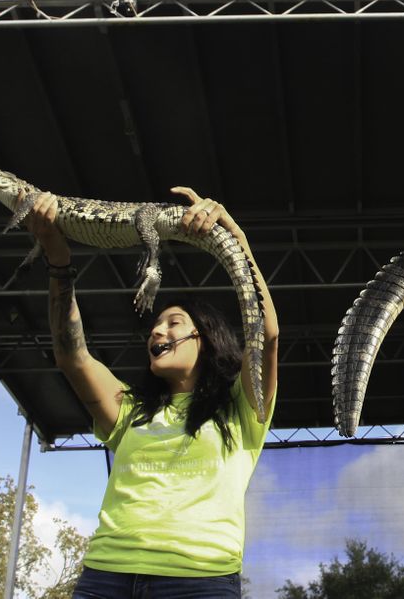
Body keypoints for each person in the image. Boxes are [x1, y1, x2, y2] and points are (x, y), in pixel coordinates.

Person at [24, 186, 279, 599]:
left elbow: (265, 335)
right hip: (106, 576)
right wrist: (57, 259)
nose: (158, 331)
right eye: (155, 325)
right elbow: (73, 357)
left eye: (174, 322)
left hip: (201, 579)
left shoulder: (239, 408)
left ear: (206, 339)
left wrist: (234, 235)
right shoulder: (131, 409)